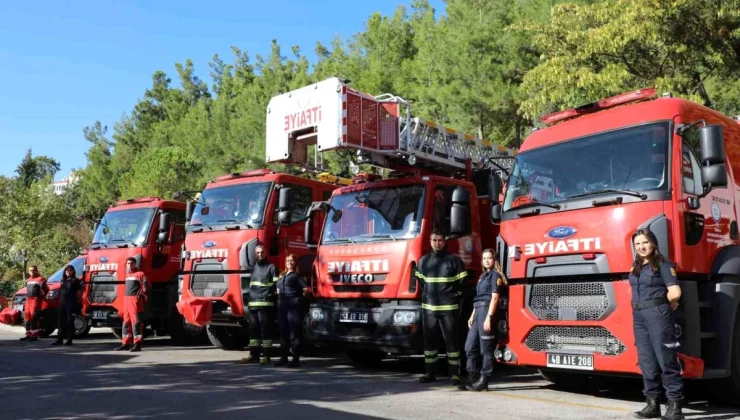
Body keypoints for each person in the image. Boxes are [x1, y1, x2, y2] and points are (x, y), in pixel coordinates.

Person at [630, 229, 684, 420]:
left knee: (666, 360)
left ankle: (675, 407)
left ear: (653, 243)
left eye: (645, 242)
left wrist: (668, 303)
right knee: (647, 361)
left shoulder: (663, 264)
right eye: (637, 244)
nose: (641, 247)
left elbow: (675, 291)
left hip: (657, 314)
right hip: (639, 315)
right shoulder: (636, 266)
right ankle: (652, 404)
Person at [415, 229, 467, 385]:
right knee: (429, 344)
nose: (437, 243)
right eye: (434, 240)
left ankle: (455, 374)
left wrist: (452, 296)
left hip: (448, 309)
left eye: (440, 240)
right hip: (429, 309)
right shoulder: (423, 261)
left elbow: (462, 284)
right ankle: (429, 373)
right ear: (430, 242)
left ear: (444, 242)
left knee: (452, 342)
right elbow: (421, 283)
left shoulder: (453, 261)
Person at [459, 248, 505, 392]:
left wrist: (489, 317)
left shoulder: (495, 275)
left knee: (486, 349)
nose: (486, 260)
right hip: (478, 310)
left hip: (486, 311)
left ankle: (484, 380)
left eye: (489, 258)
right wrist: (472, 315)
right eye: (484, 258)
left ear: (494, 260)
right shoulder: (482, 276)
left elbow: (494, 298)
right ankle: (473, 378)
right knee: (469, 347)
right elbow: (478, 298)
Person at [239, 245, 278, 365]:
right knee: (253, 332)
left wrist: (270, 297)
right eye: (258, 253)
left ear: (266, 253)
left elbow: (276, 287)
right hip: (253, 305)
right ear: (255, 255)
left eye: (262, 252)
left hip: (265, 305)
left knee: (266, 331)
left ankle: (266, 356)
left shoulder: (271, 267)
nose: (260, 254)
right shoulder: (254, 268)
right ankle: (253, 355)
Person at [275, 254, 310, 367]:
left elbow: (307, 290)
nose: (289, 262)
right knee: (283, 331)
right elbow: (278, 288)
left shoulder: (297, 276)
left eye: (292, 261)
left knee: (293, 332)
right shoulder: (282, 275)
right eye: (287, 261)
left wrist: (299, 299)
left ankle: (295, 359)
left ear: (295, 263)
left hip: (293, 304)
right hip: (281, 305)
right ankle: (283, 358)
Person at [116, 257, 149, 352]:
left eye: (131, 263)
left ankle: (137, 344)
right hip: (126, 300)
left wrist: (140, 296)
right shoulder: (127, 275)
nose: (130, 265)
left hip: (135, 301)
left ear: (135, 264)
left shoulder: (140, 274)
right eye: (128, 263)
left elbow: (145, 288)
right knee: (125, 322)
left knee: (136, 322)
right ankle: (125, 343)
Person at [52, 265, 82, 346]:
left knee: (69, 322)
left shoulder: (75, 281)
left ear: (73, 272)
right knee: (61, 321)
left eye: (70, 271)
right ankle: (59, 339)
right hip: (62, 303)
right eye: (67, 271)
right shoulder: (63, 280)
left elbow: (79, 293)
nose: (68, 272)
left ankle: (69, 340)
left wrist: (78, 303)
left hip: (71, 303)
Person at [20, 266, 49, 342]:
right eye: (30, 270)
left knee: (34, 318)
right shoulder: (29, 280)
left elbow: (46, 289)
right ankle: (28, 335)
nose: (32, 272)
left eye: (33, 270)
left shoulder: (40, 279)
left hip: (35, 300)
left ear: (36, 270)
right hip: (28, 300)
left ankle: (34, 336)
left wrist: (41, 297)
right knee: (27, 318)